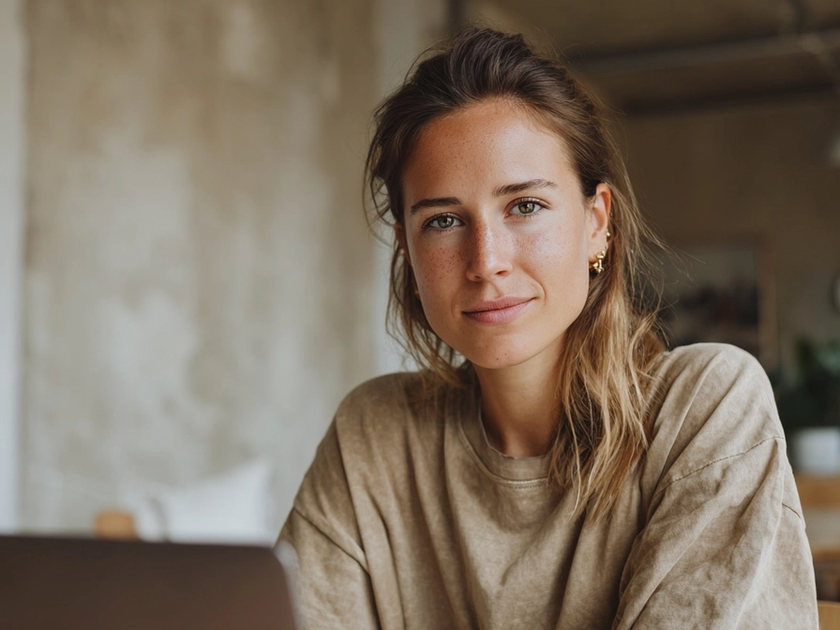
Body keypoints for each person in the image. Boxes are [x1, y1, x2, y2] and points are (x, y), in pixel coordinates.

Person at [278, 27, 818, 629]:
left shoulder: (705, 407)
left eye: (525, 206)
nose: (486, 261)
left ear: (596, 222)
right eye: (444, 220)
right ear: (405, 246)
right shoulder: (373, 438)